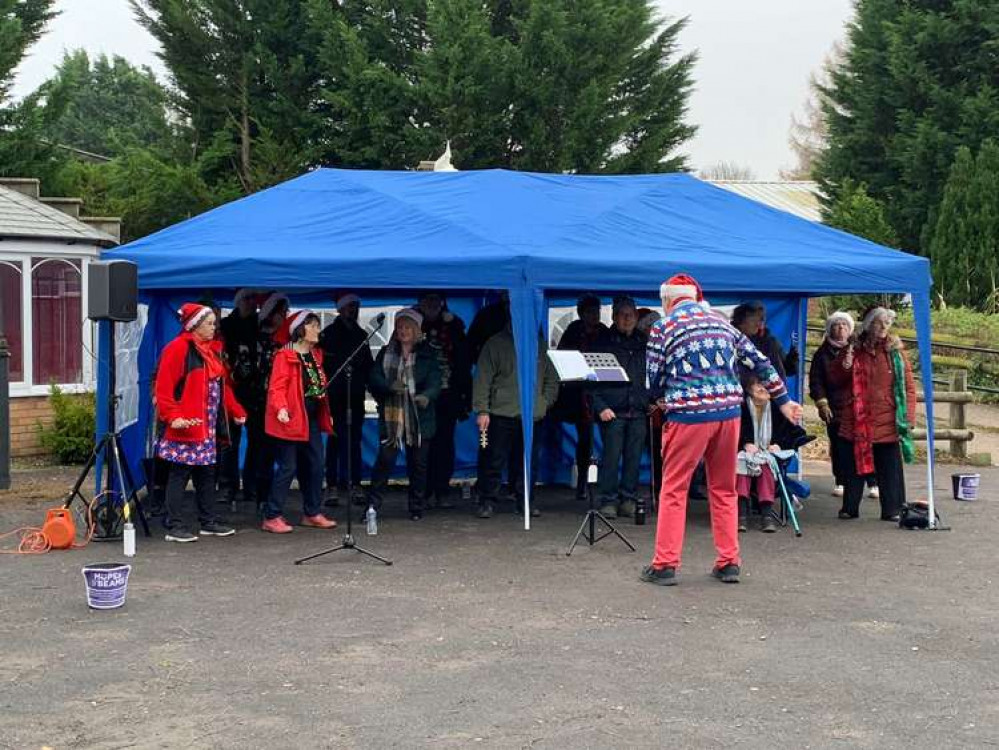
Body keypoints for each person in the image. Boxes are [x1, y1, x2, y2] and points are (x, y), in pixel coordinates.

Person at [641, 274, 802, 586]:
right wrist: (783, 401)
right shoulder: (721, 322)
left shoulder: (663, 326)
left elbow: (653, 377)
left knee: (674, 489)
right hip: (728, 413)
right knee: (724, 487)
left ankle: (665, 564)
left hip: (688, 416)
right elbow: (761, 362)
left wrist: (658, 397)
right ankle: (729, 561)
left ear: (668, 300)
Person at [153, 303, 247, 543]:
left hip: (207, 426)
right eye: (209, 323)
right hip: (186, 426)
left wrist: (236, 410)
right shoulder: (177, 349)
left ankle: (208, 520)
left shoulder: (211, 352)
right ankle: (174, 525)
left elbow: (222, 387)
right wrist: (174, 417)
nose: (214, 327)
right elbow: (163, 389)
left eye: (214, 323)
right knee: (179, 473)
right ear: (195, 325)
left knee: (207, 473)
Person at [836, 306, 916, 521]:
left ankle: (893, 508)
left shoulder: (895, 352)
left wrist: (908, 417)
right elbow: (837, 379)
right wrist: (846, 363)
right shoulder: (853, 349)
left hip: (888, 417)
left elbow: (908, 387)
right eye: (879, 322)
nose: (883, 327)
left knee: (889, 466)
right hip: (857, 415)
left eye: (886, 322)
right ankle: (849, 507)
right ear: (869, 325)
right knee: (853, 465)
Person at [261, 310, 338, 533]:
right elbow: (277, 387)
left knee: (316, 464)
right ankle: (272, 515)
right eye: (312, 325)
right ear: (300, 330)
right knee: (288, 467)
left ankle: (312, 512)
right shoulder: (285, 356)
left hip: (310, 416)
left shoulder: (316, 355)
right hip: (291, 417)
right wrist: (281, 408)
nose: (317, 329)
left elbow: (317, 386)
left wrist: (325, 408)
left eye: (317, 325)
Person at [473, 322, 560, 519]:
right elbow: (483, 378)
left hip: (532, 414)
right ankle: (488, 500)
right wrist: (483, 410)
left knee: (529, 461)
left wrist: (543, 403)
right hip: (500, 412)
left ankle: (525, 501)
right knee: (494, 459)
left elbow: (551, 378)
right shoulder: (494, 344)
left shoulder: (539, 344)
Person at [367, 308, 442, 521]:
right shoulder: (385, 352)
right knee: (384, 461)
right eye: (400, 327)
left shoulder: (428, 353)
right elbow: (374, 379)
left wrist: (426, 396)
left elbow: (436, 381)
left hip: (420, 417)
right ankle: (372, 506)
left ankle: (416, 507)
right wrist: (390, 386)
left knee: (418, 464)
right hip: (393, 416)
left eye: (407, 327)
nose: (403, 331)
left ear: (417, 330)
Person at [591, 296, 650, 518]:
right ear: (614, 317)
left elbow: (652, 375)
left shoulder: (644, 343)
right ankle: (608, 500)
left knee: (634, 458)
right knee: (611, 457)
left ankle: (629, 498)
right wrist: (600, 407)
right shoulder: (603, 343)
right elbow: (590, 381)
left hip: (638, 410)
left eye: (631, 315)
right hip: (612, 411)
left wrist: (650, 400)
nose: (627, 319)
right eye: (623, 315)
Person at [418, 291, 472, 509]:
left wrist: (465, 396)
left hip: (448, 394)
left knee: (445, 443)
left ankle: (441, 489)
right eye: (427, 299)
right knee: (421, 444)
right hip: (420, 395)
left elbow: (463, 361)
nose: (431, 304)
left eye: (435, 300)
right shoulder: (413, 322)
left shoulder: (454, 325)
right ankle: (422, 490)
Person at [737, 374, 811, 533]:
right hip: (746, 454)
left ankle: (766, 515)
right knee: (741, 464)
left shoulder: (778, 409)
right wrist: (745, 443)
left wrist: (779, 445)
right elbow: (733, 432)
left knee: (767, 467)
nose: (763, 388)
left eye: (766, 385)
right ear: (750, 390)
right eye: (758, 385)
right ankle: (741, 515)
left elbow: (795, 434)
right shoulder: (740, 408)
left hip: (767, 454)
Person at [319, 292, 373, 506]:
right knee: (334, 440)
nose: (354, 310)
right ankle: (332, 484)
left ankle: (354, 483)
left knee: (355, 440)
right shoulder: (328, 334)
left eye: (356, 306)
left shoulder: (361, 335)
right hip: (334, 397)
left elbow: (368, 367)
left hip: (355, 396)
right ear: (340, 309)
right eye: (350, 306)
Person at [553, 293, 607, 500]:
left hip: (601, 391)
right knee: (584, 438)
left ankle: (600, 482)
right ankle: (582, 482)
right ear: (581, 313)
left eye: (597, 312)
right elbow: (562, 357)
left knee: (604, 436)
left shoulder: (603, 332)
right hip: (577, 393)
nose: (595, 316)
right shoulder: (573, 330)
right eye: (590, 312)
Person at [809, 311, 858, 498]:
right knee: (838, 445)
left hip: (855, 405)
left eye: (844, 325)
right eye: (837, 325)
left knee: (862, 444)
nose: (841, 329)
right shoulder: (822, 354)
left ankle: (871, 481)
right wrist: (822, 403)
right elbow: (816, 380)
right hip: (834, 406)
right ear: (830, 329)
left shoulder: (856, 350)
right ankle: (841, 480)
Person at [218, 288, 260, 504]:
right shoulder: (225, 326)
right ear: (238, 302)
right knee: (229, 441)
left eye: (254, 299)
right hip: (231, 391)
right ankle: (227, 485)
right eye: (247, 299)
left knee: (256, 440)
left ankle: (251, 485)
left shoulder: (259, 325)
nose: (252, 303)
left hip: (254, 392)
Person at [247, 292, 288, 510]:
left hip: (280, 404)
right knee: (261, 451)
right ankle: (260, 495)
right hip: (259, 404)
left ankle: (272, 495)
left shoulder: (286, 340)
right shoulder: (257, 339)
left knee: (277, 452)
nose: (283, 317)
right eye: (280, 312)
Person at [731, 301, 799, 381]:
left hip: (775, 391)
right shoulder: (729, 340)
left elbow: (789, 370)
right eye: (753, 320)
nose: (758, 324)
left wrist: (793, 358)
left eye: (760, 320)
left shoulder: (769, 340)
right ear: (740, 322)